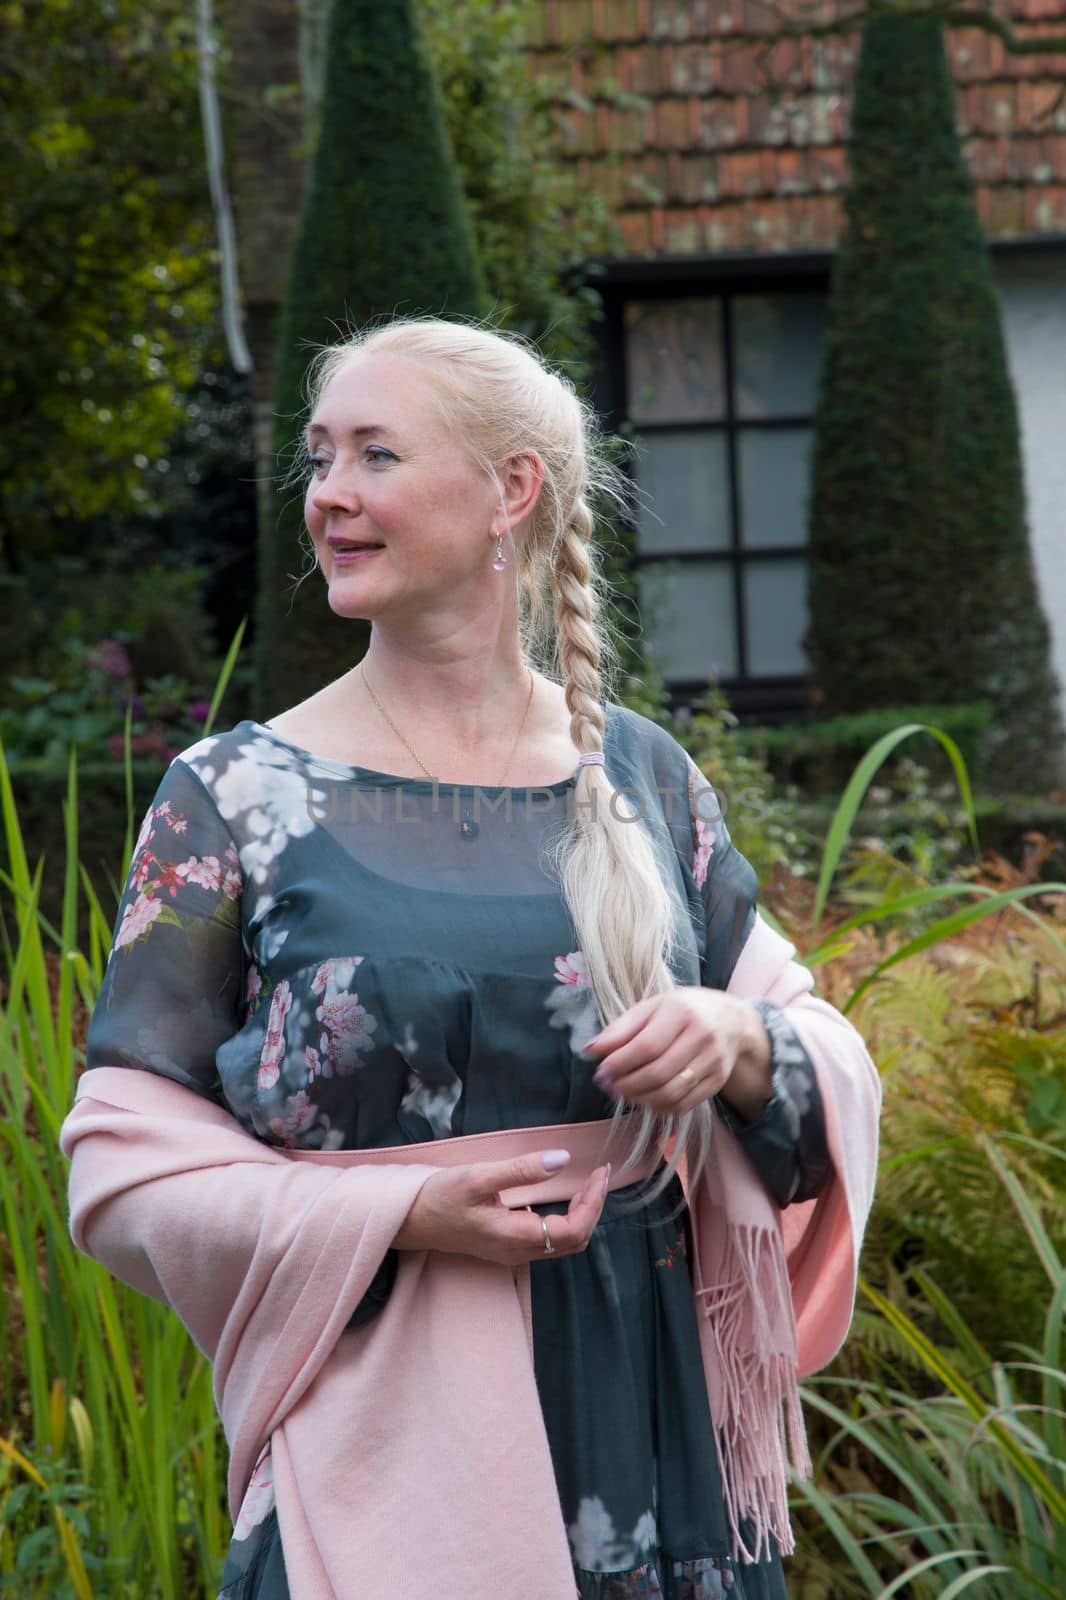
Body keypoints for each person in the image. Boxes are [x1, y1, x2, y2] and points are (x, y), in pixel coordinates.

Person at [62, 316, 881, 1600]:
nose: (329, 493)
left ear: (512, 492)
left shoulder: (644, 779)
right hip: (384, 1440)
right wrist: (397, 1212)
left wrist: (736, 1044)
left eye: (377, 455)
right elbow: (120, 1162)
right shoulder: (232, 798)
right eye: (321, 457)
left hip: (659, 1434)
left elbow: (819, 1056)